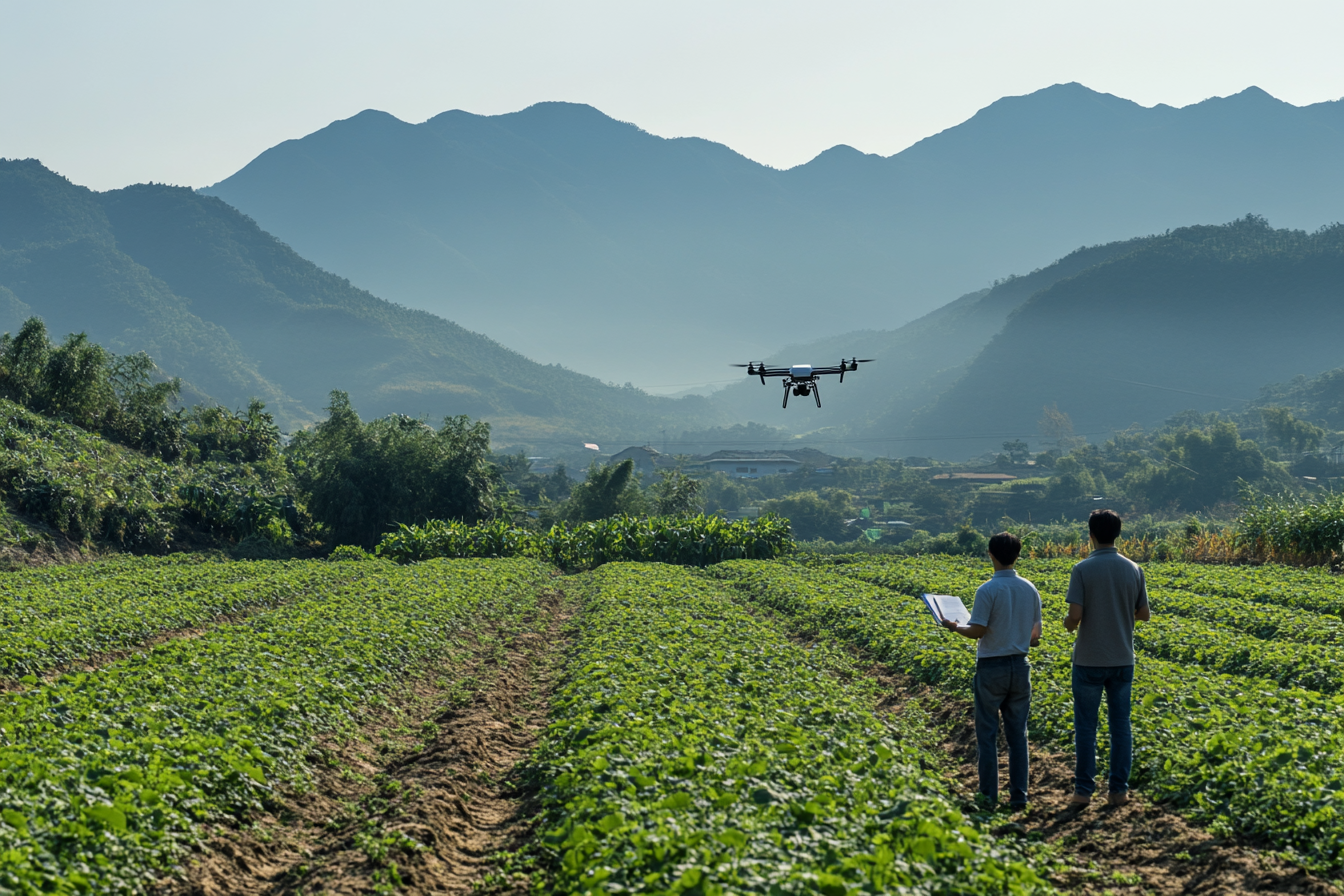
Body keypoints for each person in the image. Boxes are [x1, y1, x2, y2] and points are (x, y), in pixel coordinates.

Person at [942, 532, 1042, 810]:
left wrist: (955, 627)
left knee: (987, 735)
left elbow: (978, 631)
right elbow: (1035, 637)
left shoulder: (987, 590)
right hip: (1020, 667)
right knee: (1017, 736)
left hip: (991, 667)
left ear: (990, 554)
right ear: (1017, 555)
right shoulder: (1030, 588)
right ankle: (1019, 797)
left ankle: (989, 797)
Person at [1063, 508, 1151, 809]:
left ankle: (1084, 791)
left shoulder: (1082, 569)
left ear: (1090, 534)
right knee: (1120, 726)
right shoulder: (1133, 569)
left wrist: (1068, 624)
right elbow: (1144, 614)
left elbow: (1075, 615)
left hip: (1089, 659)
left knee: (1087, 727)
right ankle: (1118, 791)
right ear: (1118, 534)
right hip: (1123, 658)